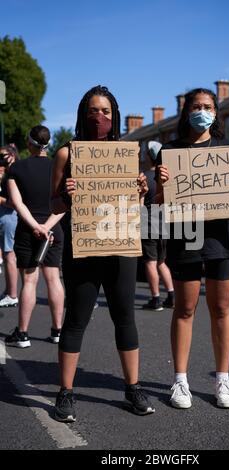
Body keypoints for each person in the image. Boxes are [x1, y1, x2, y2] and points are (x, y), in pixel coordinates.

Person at [155, 88, 229, 409]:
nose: (201, 111)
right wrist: (161, 185)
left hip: (222, 237)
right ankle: (180, 381)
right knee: (185, 308)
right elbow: (159, 203)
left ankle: (223, 379)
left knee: (221, 309)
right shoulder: (170, 151)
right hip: (187, 235)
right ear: (186, 111)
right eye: (196, 106)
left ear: (216, 113)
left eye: (207, 106)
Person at [51, 85, 155, 422]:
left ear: (116, 116)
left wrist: (142, 190)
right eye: (94, 111)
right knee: (77, 318)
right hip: (83, 248)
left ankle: (133, 387)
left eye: (106, 111)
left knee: (125, 315)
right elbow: (53, 204)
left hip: (121, 247)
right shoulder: (67, 153)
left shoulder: (125, 153)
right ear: (83, 114)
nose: (100, 117)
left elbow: (135, 207)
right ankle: (65, 393)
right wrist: (65, 194)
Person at [5, 125, 65, 348]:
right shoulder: (58, 168)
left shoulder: (17, 169)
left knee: (29, 281)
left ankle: (23, 334)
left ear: (29, 143)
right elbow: (64, 204)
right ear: (47, 144)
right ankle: (58, 331)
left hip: (28, 231)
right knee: (54, 278)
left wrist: (36, 227)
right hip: (53, 230)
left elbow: (17, 203)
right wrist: (47, 226)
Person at [141, 141, 174, 311]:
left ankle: (155, 299)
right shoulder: (166, 179)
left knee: (150, 262)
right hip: (164, 224)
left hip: (148, 224)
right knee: (161, 262)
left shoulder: (144, 177)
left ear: (149, 157)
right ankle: (171, 294)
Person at [0, 145, 19, 307]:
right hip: (7, 217)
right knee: (7, 256)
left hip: (9, 217)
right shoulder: (9, 173)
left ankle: (12, 294)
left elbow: (14, 203)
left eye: (3, 156)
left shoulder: (14, 173)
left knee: (9, 254)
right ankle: (9, 291)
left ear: (12, 155)